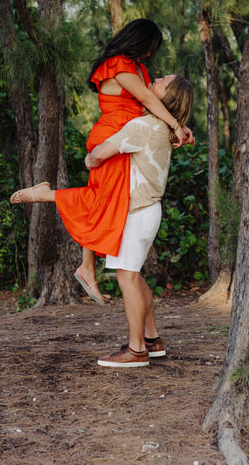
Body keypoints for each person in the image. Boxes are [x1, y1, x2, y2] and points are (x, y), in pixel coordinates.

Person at [11, 74, 193, 367]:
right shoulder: (163, 128)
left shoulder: (143, 126)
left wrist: (91, 159)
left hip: (137, 212)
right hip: (147, 211)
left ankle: (136, 352)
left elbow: (101, 154)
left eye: (161, 81)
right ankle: (152, 339)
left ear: (166, 97)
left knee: (127, 277)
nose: (154, 79)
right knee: (133, 275)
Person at [46, 19, 193, 306]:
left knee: (108, 199)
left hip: (127, 138)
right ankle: (86, 266)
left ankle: (88, 266)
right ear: (138, 41)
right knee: (101, 199)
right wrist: (176, 125)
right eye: (150, 47)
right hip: (113, 136)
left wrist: (180, 125)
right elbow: (148, 99)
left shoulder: (138, 67)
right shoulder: (118, 64)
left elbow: (154, 104)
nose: (151, 54)